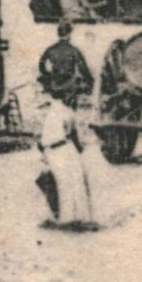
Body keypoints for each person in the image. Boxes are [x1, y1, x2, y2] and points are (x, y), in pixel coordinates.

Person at [36, 21, 96, 229]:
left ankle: (65, 216)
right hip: (69, 88)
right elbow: (84, 70)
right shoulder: (73, 51)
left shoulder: (51, 50)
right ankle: (79, 216)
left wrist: (48, 79)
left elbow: (42, 65)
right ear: (69, 34)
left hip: (55, 87)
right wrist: (88, 85)